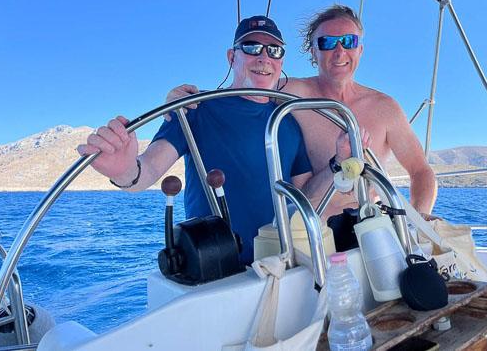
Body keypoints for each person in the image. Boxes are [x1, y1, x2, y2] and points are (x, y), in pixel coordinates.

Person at [77, 15, 364, 264]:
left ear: (281, 61)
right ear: (232, 57)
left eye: (274, 50)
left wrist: (338, 163)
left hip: (281, 262)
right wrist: (122, 170)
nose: (264, 57)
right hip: (216, 268)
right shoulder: (196, 109)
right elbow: (146, 171)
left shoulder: (287, 122)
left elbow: (305, 196)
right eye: (251, 47)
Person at [283, 4, 437, 223]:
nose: (339, 51)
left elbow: (420, 170)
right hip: (315, 229)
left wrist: (419, 218)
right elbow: (248, 90)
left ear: (360, 50)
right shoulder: (292, 93)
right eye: (327, 42)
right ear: (314, 52)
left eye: (349, 41)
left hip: (372, 227)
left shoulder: (385, 108)